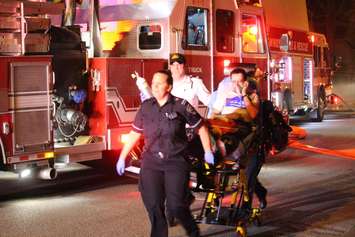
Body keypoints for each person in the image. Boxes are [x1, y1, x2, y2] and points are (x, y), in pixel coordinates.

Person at [116, 69, 214, 237]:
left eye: (159, 83)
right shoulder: (146, 106)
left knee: (176, 205)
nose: (154, 86)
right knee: (153, 204)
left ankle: (192, 229)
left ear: (169, 87)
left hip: (175, 161)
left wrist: (207, 151)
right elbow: (135, 132)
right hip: (151, 161)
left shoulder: (181, 105)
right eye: (153, 82)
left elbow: (201, 127)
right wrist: (122, 157)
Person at [211, 68, 267, 210]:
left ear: (245, 82)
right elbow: (215, 112)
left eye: (239, 81)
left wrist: (243, 95)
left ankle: (247, 207)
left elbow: (253, 114)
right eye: (233, 81)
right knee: (219, 167)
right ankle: (217, 195)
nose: (235, 84)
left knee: (248, 176)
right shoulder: (225, 94)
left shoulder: (252, 96)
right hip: (230, 133)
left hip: (248, 138)